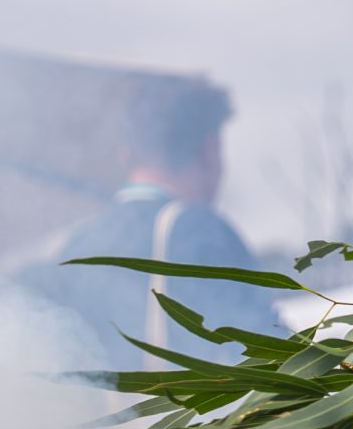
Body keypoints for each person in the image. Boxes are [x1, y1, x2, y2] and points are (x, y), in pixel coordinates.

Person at [19, 84, 285, 369]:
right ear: (210, 151)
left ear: (126, 155)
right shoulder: (199, 231)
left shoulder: (76, 246)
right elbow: (273, 356)